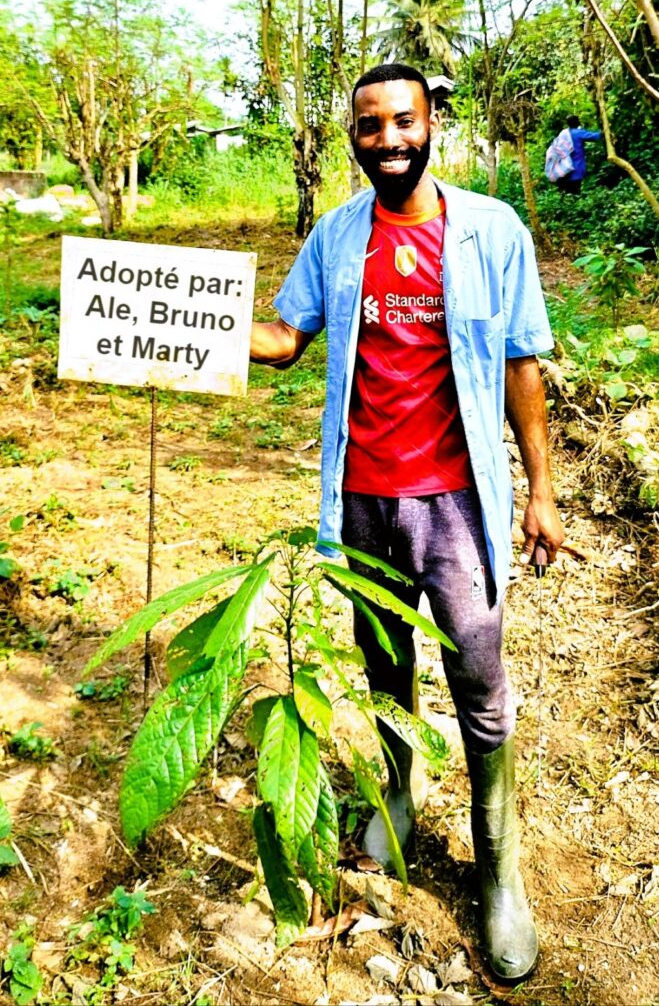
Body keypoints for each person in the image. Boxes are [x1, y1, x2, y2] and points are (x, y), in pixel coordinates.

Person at [250, 63, 565, 981]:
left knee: (477, 673)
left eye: (403, 121)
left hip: (458, 502)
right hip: (361, 502)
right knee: (382, 661)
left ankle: (498, 864)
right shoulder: (336, 238)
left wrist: (540, 491)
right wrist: (177, 332)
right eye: (368, 126)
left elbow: (519, 368)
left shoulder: (490, 232)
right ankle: (395, 791)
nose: (386, 140)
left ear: (432, 125)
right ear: (350, 135)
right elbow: (282, 343)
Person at [557, 114, 602, 194]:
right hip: (576, 166)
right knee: (575, 189)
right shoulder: (578, 133)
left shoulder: (563, 133)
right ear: (576, 122)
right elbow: (595, 136)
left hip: (563, 167)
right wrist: (603, 130)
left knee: (566, 191)